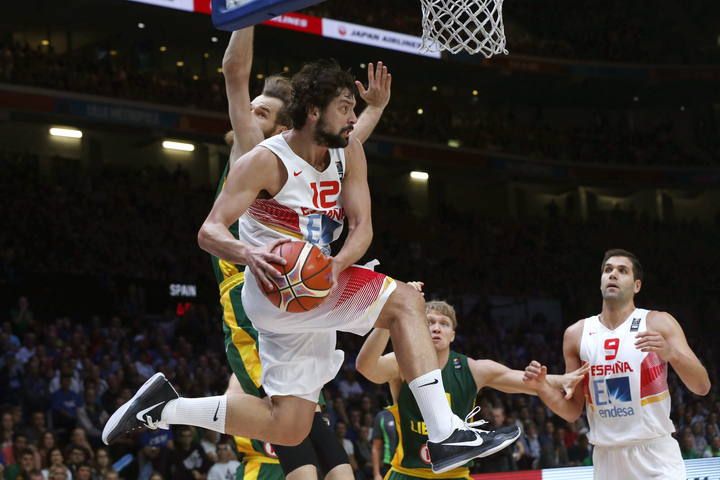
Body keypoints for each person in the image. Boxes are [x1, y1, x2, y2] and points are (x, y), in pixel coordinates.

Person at [103, 57, 519, 474]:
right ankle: (445, 433)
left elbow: (362, 228)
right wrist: (249, 254)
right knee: (406, 300)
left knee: (287, 427)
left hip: (320, 283)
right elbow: (209, 231)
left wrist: (338, 266)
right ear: (315, 111)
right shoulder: (266, 161)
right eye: (345, 106)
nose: (353, 116)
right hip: (274, 292)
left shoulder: (348, 151)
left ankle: (165, 408)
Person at [214, 27, 391, 480]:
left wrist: (371, 108)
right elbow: (235, 74)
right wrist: (247, 16)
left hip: (308, 281)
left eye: (266, 110)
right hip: (256, 284)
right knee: (286, 424)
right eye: (252, 110)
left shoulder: (313, 155)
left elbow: (349, 142)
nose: (254, 115)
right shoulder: (256, 152)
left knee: (304, 416)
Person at [523, 249, 711, 480]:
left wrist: (671, 353)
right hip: (606, 459)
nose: (613, 274)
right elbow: (572, 411)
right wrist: (542, 387)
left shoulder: (657, 322)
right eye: (608, 270)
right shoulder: (576, 334)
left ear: (637, 286)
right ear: (601, 281)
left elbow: (702, 386)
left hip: (655, 455)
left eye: (622, 271)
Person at [356, 294, 587, 480]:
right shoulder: (401, 363)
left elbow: (525, 381)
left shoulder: (473, 369)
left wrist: (561, 380)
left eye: (444, 324)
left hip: (455, 475)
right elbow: (365, 367)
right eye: (429, 322)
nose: (436, 328)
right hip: (408, 473)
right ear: (417, 328)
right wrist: (391, 318)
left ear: (453, 335)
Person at [371, 409, 397, 480]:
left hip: (409, 465)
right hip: (389, 465)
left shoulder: (410, 413)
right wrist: (376, 474)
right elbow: (376, 447)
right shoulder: (382, 416)